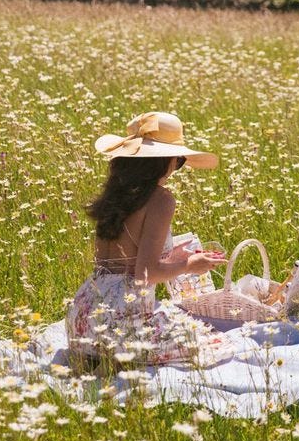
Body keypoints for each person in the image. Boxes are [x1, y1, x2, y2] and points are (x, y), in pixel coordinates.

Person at [66, 111, 230, 369]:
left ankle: (97, 360)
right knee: (213, 341)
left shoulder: (114, 195)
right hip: (123, 324)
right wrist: (191, 265)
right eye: (179, 161)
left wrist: (173, 256)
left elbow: (123, 260)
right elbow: (146, 274)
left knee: (181, 324)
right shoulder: (160, 199)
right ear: (164, 161)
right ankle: (117, 361)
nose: (177, 168)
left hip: (82, 319)